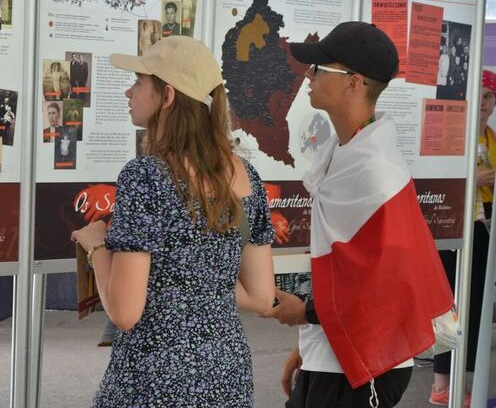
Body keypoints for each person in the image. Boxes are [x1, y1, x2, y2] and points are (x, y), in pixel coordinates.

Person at [70, 36, 275, 406]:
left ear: (167, 96)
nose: (128, 92)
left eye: (138, 82)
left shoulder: (145, 177)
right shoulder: (248, 178)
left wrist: (96, 245)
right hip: (227, 374)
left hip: (155, 380)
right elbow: (261, 297)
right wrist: (195, 283)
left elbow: (124, 312)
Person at [261, 22, 453, 408]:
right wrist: (310, 346)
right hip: (334, 354)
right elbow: (347, 272)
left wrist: (308, 313)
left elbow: (390, 284)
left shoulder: (376, 171)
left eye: (319, 69)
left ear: (354, 83)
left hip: (364, 363)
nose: (308, 76)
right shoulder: (345, 153)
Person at [429, 70, 495, 406]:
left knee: (476, 308)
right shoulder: (456, 134)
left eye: (489, 97)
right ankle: (442, 384)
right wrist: (478, 175)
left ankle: (463, 384)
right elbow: (440, 175)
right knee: (450, 306)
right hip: (454, 229)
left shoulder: (491, 138)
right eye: (479, 96)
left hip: (483, 230)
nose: (484, 103)